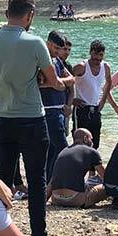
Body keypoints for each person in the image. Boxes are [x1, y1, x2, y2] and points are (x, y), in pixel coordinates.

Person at [0, 0, 68, 236]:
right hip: (31, 117)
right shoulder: (34, 42)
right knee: (36, 179)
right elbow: (53, 81)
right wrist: (70, 82)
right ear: (30, 15)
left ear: (7, 12)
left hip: (3, 118)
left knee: (2, 180)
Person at [42, 31, 75, 182]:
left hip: (59, 109)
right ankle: (66, 181)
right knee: (63, 148)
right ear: (48, 43)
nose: (57, 52)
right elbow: (39, 83)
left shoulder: (57, 61)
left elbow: (71, 79)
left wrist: (58, 82)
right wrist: (57, 83)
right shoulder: (42, 60)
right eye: (55, 48)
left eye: (59, 49)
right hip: (49, 110)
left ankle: (50, 182)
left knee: (54, 151)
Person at [49, 128, 108, 208]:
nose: (92, 142)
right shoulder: (91, 151)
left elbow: (52, 181)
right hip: (76, 200)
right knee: (106, 188)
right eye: (91, 139)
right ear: (85, 139)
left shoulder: (63, 151)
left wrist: (43, 201)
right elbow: (106, 177)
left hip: (56, 199)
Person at [72, 40, 112, 149]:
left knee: (95, 144)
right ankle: (79, 166)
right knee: (80, 144)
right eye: (95, 54)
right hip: (81, 109)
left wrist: (103, 100)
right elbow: (66, 80)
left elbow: (109, 82)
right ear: (90, 52)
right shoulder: (81, 66)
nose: (98, 58)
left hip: (96, 109)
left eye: (101, 55)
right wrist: (72, 99)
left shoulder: (105, 67)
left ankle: (92, 166)